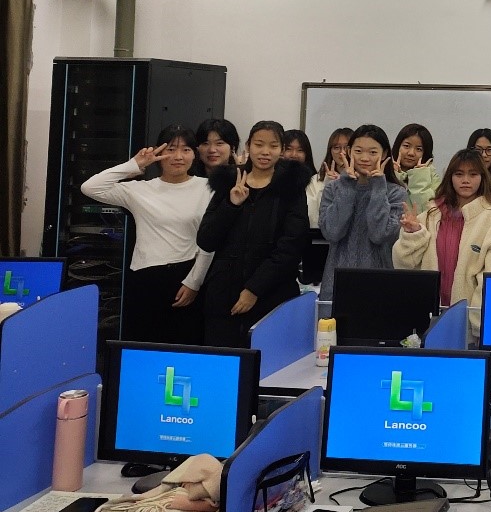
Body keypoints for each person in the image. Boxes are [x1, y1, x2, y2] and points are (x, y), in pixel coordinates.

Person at [81, 124, 213, 345]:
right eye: (171, 149)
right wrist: (135, 164)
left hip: (187, 275)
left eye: (186, 150)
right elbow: (90, 187)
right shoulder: (140, 189)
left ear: (195, 154)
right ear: (158, 153)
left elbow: (211, 241)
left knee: (186, 346)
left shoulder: (208, 188)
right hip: (146, 277)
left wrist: (194, 282)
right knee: (143, 345)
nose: (178, 157)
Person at [197, 121, 310, 347]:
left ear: (281, 150)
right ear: (248, 146)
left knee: (267, 360)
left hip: (272, 294)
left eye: (273, 146)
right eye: (259, 144)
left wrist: (254, 288)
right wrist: (232, 204)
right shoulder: (229, 181)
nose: (265, 152)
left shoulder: (291, 187)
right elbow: (206, 240)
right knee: (224, 360)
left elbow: (291, 246)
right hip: (224, 296)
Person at [393, 148, 491, 338]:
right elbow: (403, 266)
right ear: (450, 177)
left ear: (482, 178)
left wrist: (476, 325)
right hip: (426, 320)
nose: (466, 180)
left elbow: (490, 280)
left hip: (467, 326)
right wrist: (412, 234)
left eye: (473, 174)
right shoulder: (429, 216)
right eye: (459, 174)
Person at [317, 124, 407, 305]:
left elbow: (379, 235)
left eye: (373, 152)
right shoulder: (333, 189)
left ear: (384, 154)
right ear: (349, 151)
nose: (365, 158)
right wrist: (347, 186)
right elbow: (332, 232)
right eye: (358, 151)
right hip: (336, 285)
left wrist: (378, 187)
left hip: (379, 285)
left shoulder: (396, 193)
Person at [392, 123, 441, 214]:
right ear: (397, 146)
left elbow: (426, 212)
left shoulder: (434, 179)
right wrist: (395, 175)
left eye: (418, 149)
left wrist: (419, 177)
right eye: (406, 146)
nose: (411, 153)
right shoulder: (383, 172)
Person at [281, 129, 321, 229]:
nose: (294, 155)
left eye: (300, 150)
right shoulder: (272, 179)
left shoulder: (315, 182)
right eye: (288, 149)